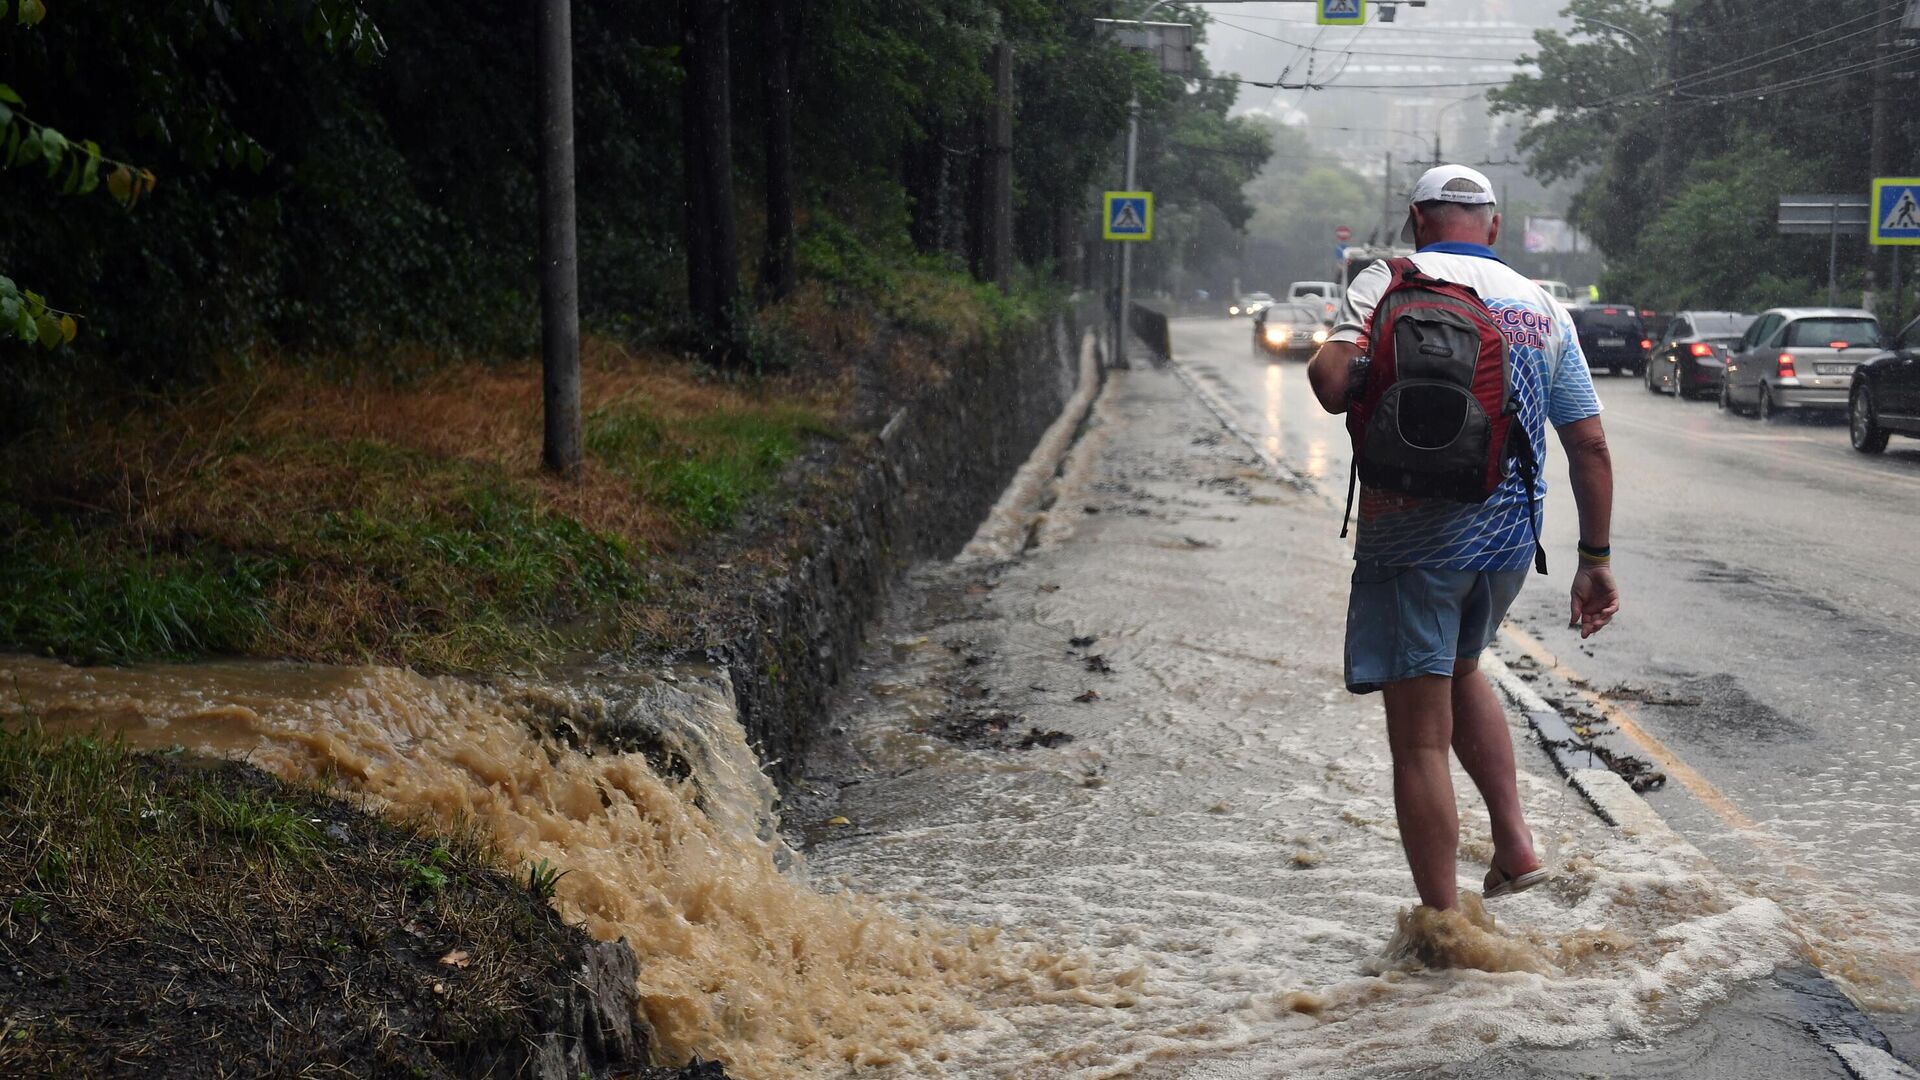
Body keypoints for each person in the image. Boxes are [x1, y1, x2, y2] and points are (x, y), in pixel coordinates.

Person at [1306, 165, 1619, 911]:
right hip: (1508, 544)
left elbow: (1327, 384)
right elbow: (1591, 447)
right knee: (1464, 666)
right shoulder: (1543, 304)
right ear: (1495, 226)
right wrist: (1596, 560)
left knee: (1418, 740)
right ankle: (1514, 848)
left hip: (1411, 538)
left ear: (1418, 218)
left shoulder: (1389, 277)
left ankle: (1444, 929)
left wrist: (1349, 339)